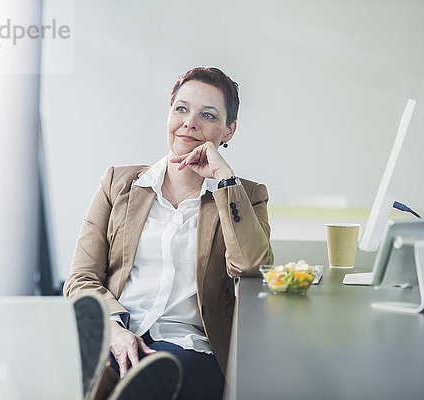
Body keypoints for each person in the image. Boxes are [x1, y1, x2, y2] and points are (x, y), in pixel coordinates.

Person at [64, 67, 274, 400]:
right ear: (169, 114)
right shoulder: (118, 184)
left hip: (188, 347)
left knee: (153, 374)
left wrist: (224, 182)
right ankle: (105, 370)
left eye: (207, 115)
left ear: (228, 131)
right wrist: (115, 331)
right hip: (117, 331)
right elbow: (81, 277)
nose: (190, 122)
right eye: (181, 108)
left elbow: (251, 264)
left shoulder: (245, 195)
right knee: (110, 363)